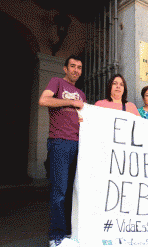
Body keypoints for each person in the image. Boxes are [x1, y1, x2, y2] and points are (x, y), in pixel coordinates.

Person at [38, 55, 86, 247]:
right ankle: (55, 236)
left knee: (73, 192)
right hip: (59, 143)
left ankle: (67, 233)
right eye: (72, 66)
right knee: (59, 192)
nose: (76, 70)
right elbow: (43, 100)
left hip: (78, 145)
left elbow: (81, 116)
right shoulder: (56, 82)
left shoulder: (81, 93)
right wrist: (70, 103)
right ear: (65, 68)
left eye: (79, 67)